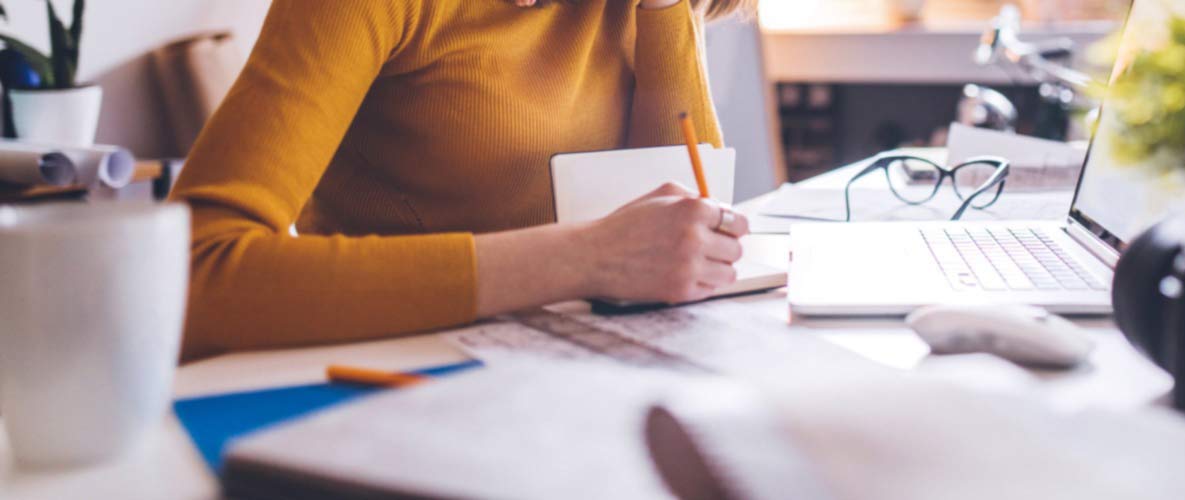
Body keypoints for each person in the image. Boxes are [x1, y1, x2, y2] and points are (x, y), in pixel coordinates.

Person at [168, 0, 756, 360]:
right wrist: (582, 258)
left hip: (582, 388)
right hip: (395, 384)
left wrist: (664, 9)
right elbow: (194, 277)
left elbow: (679, 238)